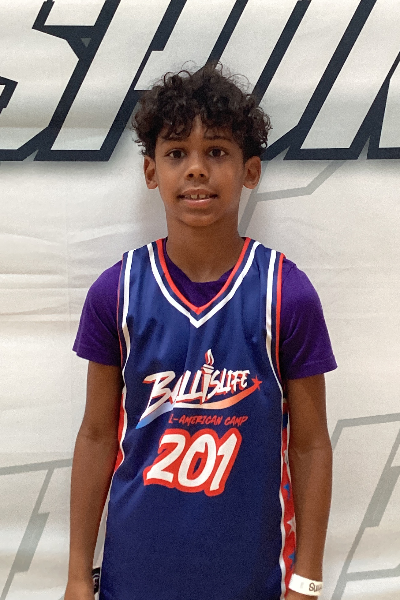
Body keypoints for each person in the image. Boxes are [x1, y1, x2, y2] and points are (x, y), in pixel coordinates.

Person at [65, 63, 336, 600]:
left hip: (251, 581)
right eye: (176, 153)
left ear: (250, 170)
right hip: (133, 577)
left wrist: (306, 579)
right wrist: (77, 575)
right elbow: (96, 436)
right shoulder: (116, 292)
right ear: (151, 172)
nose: (196, 169)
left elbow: (310, 445)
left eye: (216, 151)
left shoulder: (287, 293)